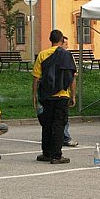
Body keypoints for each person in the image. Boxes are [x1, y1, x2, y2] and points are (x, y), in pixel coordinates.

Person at [32, 30, 77, 164]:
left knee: (47, 124)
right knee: (58, 124)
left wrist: (34, 95)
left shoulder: (42, 54)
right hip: (62, 95)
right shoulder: (67, 55)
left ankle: (46, 153)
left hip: (46, 95)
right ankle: (57, 155)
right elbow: (72, 77)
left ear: (50, 39)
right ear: (62, 40)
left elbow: (36, 78)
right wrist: (73, 95)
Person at [59, 36, 78, 147]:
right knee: (63, 117)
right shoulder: (67, 57)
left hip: (60, 92)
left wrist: (73, 95)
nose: (67, 46)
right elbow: (72, 77)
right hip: (61, 93)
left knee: (61, 117)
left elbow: (73, 77)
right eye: (65, 43)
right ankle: (65, 138)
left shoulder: (68, 57)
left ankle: (60, 137)